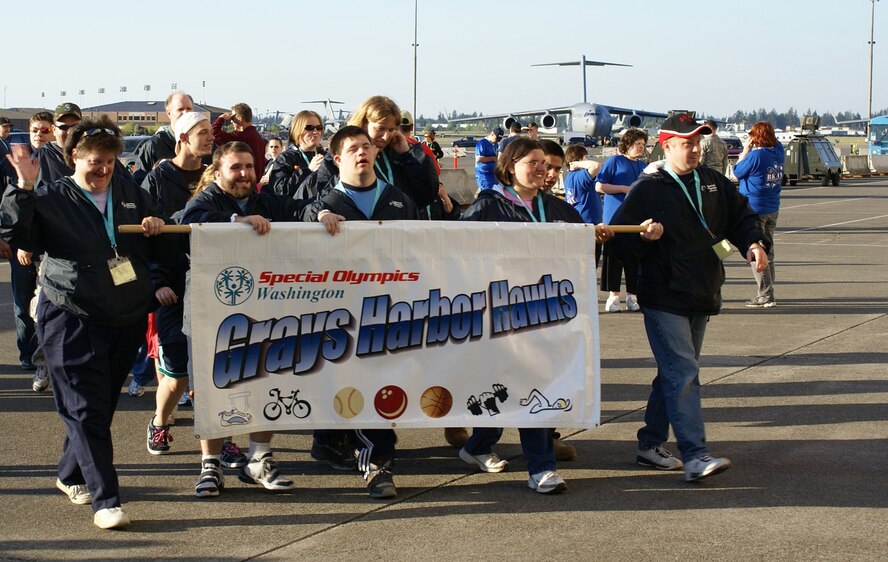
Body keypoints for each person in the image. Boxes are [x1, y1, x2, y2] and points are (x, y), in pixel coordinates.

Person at [2, 116, 170, 529]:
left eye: (110, 161)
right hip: (70, 314)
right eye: (95, 161)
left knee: (98, 406)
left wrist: (154, 225)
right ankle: (106, 499)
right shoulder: (50, 197)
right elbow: (16, 233)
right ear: (73, 156)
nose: (104, 169)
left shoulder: (127, 188)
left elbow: (154, 226)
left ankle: (68, 473)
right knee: (84, 409)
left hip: (123, 312)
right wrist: (22, 188)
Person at [607, 113, 768, 482]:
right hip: (663, 295)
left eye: (698, 142)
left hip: (702, 289)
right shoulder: (647, 188)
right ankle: (695, 455)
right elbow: (620, 244)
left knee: (675, 373)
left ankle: (649, 444)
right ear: (666, 146)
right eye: (686, 143)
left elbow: (742, 217)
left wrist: (755, 243)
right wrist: (643, 239)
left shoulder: (713, 182)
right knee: (684, 370)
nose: (694, 149)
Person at [459, 138, 612, 494]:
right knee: (507, 389)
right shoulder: (488, 207)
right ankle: (500, 452)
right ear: (510, 165)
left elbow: (582, 251)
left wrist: (596, 238)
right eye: (533, 162)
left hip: (545, 316)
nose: (543, 169)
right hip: (500, 317)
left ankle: (530, 464)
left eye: (546, 163)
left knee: (533, 388)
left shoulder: (557, 209)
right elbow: (459, 255)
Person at [181, 141, 309, 498]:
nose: (244, 174)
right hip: (211, 311)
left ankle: (259, 457)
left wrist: (325, 214)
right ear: (218, 171)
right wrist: (236, 222)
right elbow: (187, 220)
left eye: (249, 167)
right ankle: (211, 464)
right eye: (236, 168)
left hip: (262, 310)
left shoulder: (266, 200)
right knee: (212, 388)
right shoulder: (206, 201)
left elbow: (302, 209)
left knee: (265, 379)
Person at [316, 125, 419, 498]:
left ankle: (353, 445)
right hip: (340, 316)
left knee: (382, 383)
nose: (361, 152)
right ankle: (377, 465)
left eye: (366, 146)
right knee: (355, 384)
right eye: (352, 148)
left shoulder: (397, 200)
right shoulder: (322, 203)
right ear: (337, 159)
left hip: (390, 310)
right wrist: (315, 223)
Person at [142, 112, 214, 455]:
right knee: (178, 376)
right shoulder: (158, 177)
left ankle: (220, 443)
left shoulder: (215, 173)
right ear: (183, 137)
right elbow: (143, 238)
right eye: (203, 133)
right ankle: (159, 422)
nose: (211, 138)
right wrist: (156, 283)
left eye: (211, 132)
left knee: (217, 371)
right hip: (171, 288)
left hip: (211, 285)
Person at [596, 128, 648, 313]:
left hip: (636, 222)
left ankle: (632, 296)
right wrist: (624, 189)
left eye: (643, 144)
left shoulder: (643, 166)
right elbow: (600, 186)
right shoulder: (614, 161)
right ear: (627, 145)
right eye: (637, 144)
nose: (641, 148)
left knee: (634, 260)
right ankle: (614, 296)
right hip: (614, 218)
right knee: (614, 260)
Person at [733, 121, 784, 308]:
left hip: (754, 209)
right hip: (772, 207)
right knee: (768, 249)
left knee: (756, 251)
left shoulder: (756, 155)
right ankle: (769, 289)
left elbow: (737, 172)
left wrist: (745, 150)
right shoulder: (778, 151)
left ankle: (765, 294)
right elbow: (776, 142)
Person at [132, 91, 194, 185]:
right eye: (180, 109)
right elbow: (139, 183)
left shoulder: (202, 144)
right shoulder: (153, 146)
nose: (185, 113)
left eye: (189, 109)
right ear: (169, 114)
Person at [267, 110, 326, 198]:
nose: (315, 131)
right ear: (298, 130)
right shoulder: (286, 159)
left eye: (319, 127)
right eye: (309, 128)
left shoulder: (327, 157)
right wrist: (308, 171)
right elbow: (280, 190)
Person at [211, 102, 267, 178]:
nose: (231, 121)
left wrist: (221, 118)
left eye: (232, 118)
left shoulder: (240, 137)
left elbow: (214, 132)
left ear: (239, 119)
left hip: (242, 181)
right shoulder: (258, 138)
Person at [474, 126, 503, 191]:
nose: (497, 141)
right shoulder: (482, 143)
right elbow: (478, 159)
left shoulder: (495, 145)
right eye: (496, 138)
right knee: (488, 191)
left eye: (499, 139)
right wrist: (492, 158)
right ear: (492, 134)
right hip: (484, 175)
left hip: (493, 174)